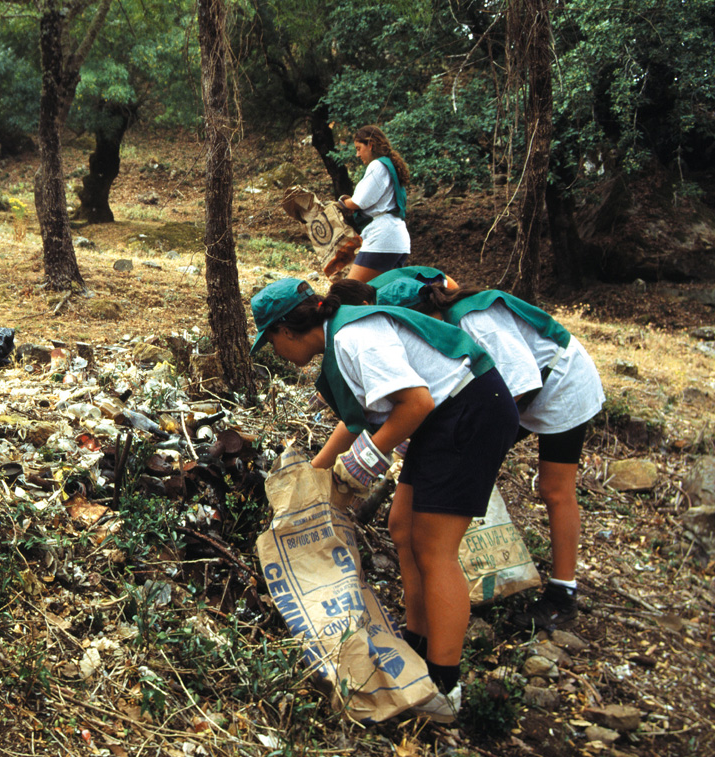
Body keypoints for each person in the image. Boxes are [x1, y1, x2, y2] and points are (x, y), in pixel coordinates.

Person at [251, 278, 519, 723]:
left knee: (436, 550)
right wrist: (310, 479)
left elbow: (415, 403)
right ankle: (416, 642)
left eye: (272, 342)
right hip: (443, 419)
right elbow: (358, 421)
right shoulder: (340, 339)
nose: (277, 353)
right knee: (402, 527)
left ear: (287, 329)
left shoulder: (356, 337)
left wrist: (367, 461)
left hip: (469, 412)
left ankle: (444, 682)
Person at [376, 279, 605, 631]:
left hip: (560, 381)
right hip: (510, 394)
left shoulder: (473, 319)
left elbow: (518, 384)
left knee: (555, 489)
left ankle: (563, 594)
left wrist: (477, 444)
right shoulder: (443, 326)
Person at [337, 126, 411, 284]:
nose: (357, 154)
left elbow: (358, 202)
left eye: (359, 148)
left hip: (383, 239)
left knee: (351, 291)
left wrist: (342, 202)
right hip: (398, 240)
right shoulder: (390, 166)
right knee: (377, 294)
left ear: (370, 145)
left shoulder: (377, 166)